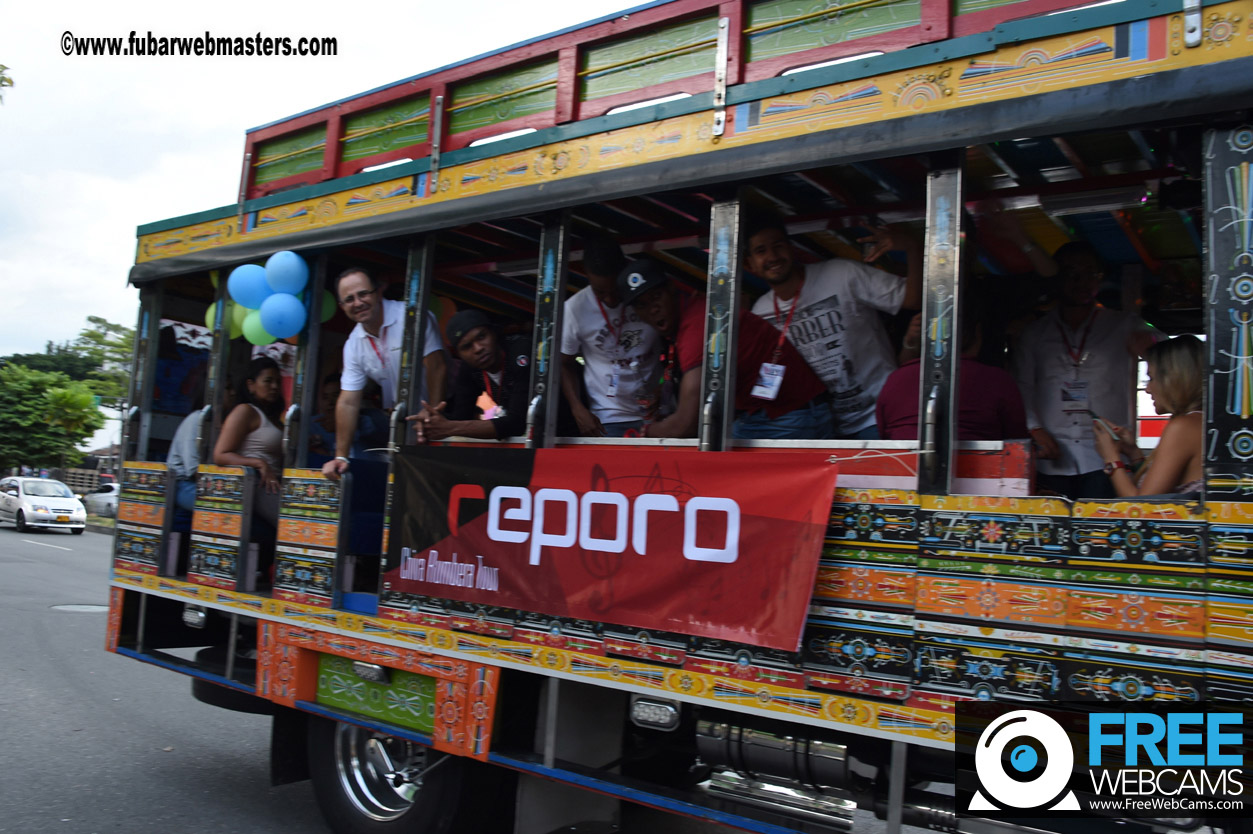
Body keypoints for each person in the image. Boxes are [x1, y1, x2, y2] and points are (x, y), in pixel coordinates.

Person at [746, 215, 922, 439]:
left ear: (791, 249)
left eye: (778, 246)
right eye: (761, 251)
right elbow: (767, 378)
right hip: (822, 428)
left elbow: (912, 299)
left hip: (878, 416)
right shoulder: (760, 312)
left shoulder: (841, 273)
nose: (772, 256)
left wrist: (913, 248)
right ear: (749, 264)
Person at [616, 259, 832, 439]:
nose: (653, 308)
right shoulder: (696, 315)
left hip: (789, 416)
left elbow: (686, 423)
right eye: (642, 305)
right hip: (775, 412)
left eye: (656, 297)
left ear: (672, 290)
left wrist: (646, 434)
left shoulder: (697, 325)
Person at [1010, 242, 1159, 499]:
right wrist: (1034, 428)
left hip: (1107, 454)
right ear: (1057, 278)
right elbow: (1021, 385)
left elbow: (1175, 356)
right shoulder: (1034, 333)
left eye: (1091, 273)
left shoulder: (1124, 324)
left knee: (1101, 532)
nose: (1082, 281)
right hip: (1053, 453)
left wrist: (1152, 348)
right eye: (1072, 273)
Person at [321, 267, 447, 481]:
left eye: (363, 294)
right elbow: (348, 402)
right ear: (342, 307)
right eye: (349, 299)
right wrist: (341, 456)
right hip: (405, 424)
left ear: (378, 292)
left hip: (443, 414)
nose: (358, 303)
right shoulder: (353, 344)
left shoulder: (412, 316)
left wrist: (434, 414)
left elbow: (437, 367)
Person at [561, 235, 663, 436]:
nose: (610, 299)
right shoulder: (574, 309)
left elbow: (673, 343)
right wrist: (577, 408)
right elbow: (565, 363)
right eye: (600, 292)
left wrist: (664, 386)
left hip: (658, 412)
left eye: (615, 290)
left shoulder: (645, 295)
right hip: (608, 417)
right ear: (586, 275)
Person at [876, 310, 1029, 441]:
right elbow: (1016, 440)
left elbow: (884, 433)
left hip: (902, 469)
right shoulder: (997, 380)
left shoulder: (896, 379)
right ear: (978, 334)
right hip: (980, 471)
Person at [1093, 335, 1204, 497]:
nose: (1148, 389)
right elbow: (1157, 486)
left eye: (1151, 379)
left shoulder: (1183, 426)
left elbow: (1143, 506)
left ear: (1174, 380)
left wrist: (1111, 459)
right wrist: (1133, 453)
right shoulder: (1198, 421)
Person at [413, 310, 532, 442]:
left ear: (493, 333)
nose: (478, 348)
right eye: (467, 346)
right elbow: (461, 417)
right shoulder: (470, 368)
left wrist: (449, 428)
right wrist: (430, 420)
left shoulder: (520, 352)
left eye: (481, 337)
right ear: (459, 355)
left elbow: (517, 423)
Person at [213, 357, 284, 526]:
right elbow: (220, 455)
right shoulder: (245, 411)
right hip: (257, 485)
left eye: (277, 382)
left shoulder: (272, 416)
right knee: (296, 525)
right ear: (251, 385)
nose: (274, 386)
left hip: (277, 482)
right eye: (268, 381)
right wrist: (258, 463)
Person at [168, 384, 236, 513]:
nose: (233, 392)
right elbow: (194, 469)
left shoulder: (221, 423)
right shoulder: (196, 419)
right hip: (183, 484)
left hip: (203, 483)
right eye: (227, 387)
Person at [309, 374, 388, 462]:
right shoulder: (314, 424)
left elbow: (384, 433)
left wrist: (345, 423)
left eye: (336, 395)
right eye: (325, 397)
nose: (330, 402)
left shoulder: (371, 418)